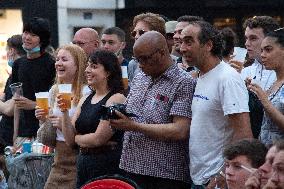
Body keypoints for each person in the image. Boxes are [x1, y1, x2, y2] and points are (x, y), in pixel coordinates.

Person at [110, 31, 195, 189]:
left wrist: (133, 126)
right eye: (137, 59)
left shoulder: (183, 82)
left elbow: (180, 130)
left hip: (164, 174)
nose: (140, 64)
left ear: (162, 53)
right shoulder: (140, 76)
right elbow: (132, 111)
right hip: (130, 166)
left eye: (145, 59)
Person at [180, 21, 253, 188]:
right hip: (198, 179)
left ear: (208, 45)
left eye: (189, 41)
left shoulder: (227, 79)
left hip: (216, 181)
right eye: (182, 42)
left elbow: (244, 134)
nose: (182, 48)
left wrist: (222, 174)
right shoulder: (200, 76)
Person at [58, 49, 126, 188]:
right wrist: (64, 112)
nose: (87, 70)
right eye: (88, 66)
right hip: (84, 163)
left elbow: (98, 139)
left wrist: (77, 139)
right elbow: (69, 140)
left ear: (108, 72)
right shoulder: (85, 98)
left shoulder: (116, 99)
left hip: (107, 165)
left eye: (94, 67)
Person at [35, 44, 88, 189]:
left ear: (78, 65)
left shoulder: (87, 92)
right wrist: (43, 119)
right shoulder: (54, 91)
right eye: (57, 59)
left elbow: (89, 128)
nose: (58, 63)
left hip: (79, 156)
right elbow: (48, 139)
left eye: (64, 59)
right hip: (58, 157)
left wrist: (64, 124)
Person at [11, 17, 56, 145]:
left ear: (42, 40)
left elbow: (55, 103)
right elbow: (17, 103)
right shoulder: (18, 64)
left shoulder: (51, 64)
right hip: (23, 134)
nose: (27, 37)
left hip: (45, 132)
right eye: (25, 33)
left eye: (33, 34)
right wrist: (15, 134)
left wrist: (32, 104)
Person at [247, 28, 284, 147]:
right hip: (266, 156)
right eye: (262, 50)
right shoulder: (275, 82)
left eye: (268, 50)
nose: (263, 55)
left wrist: (264, 101)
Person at [0, 35, 25, 152]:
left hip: (14, 137)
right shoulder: (12, 75)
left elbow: (10, 109)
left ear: (12, 50)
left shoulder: (22, 72)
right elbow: (5, 98)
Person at [127, 12, 166, 83]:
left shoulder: (174, 64)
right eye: (134, 33)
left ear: (157, 34)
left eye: (142, 32)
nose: (136, 36)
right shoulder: (133, 64)